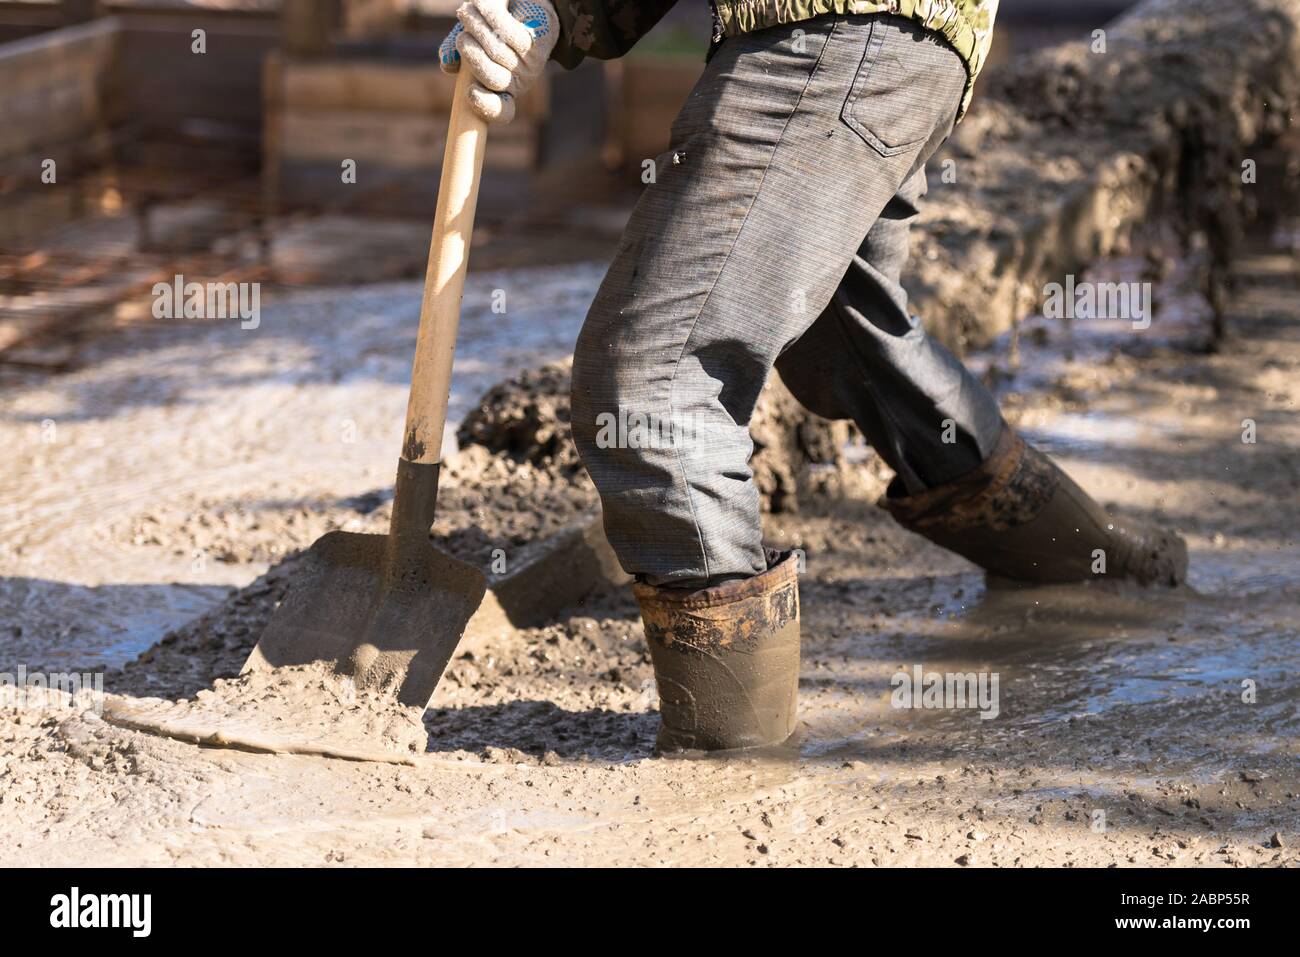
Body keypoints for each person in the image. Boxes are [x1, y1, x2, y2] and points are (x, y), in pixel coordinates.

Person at [440, 0, 1188, 753]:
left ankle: (731, 762)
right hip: (900, 44)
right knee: (845, 338)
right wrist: (554, 17)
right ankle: (1083, 563)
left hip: (834, 35)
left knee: (656, 379)